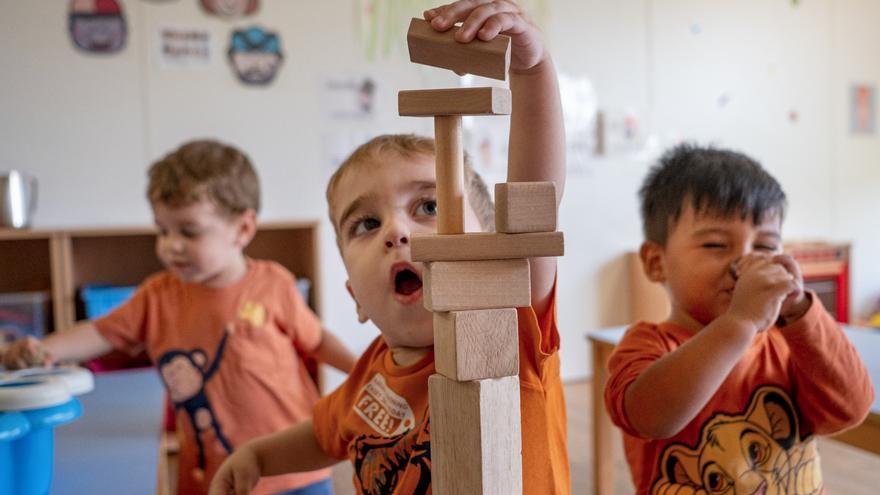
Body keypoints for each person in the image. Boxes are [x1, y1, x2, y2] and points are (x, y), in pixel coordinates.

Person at [209, 1, 569, 493]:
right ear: (356, 298)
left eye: (428, 206)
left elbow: (535, 207)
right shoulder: (372, 372)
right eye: (366, 223)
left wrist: (532, 70)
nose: (396, 232)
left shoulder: (510, 327)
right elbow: (326, 435)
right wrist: (257, 455)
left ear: (495, 253)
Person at [2, 139, 356, 495]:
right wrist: (44, 349)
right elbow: (99, 332)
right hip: (216, 478)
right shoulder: (157, 297)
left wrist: (363, 372)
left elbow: (318, 341)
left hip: (296, 469)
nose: (170, 245)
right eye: (163, 230)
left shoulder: (273, 284)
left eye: (189, 231)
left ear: (243, 229)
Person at [605, 144, 874, 494]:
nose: (744, 264)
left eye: (764, 247)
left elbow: (850, 409)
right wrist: (740, 323)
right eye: (716, 245)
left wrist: (799, 312)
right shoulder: (647, 346)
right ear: (657, 262)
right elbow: (652, 417)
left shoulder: (790, 345)